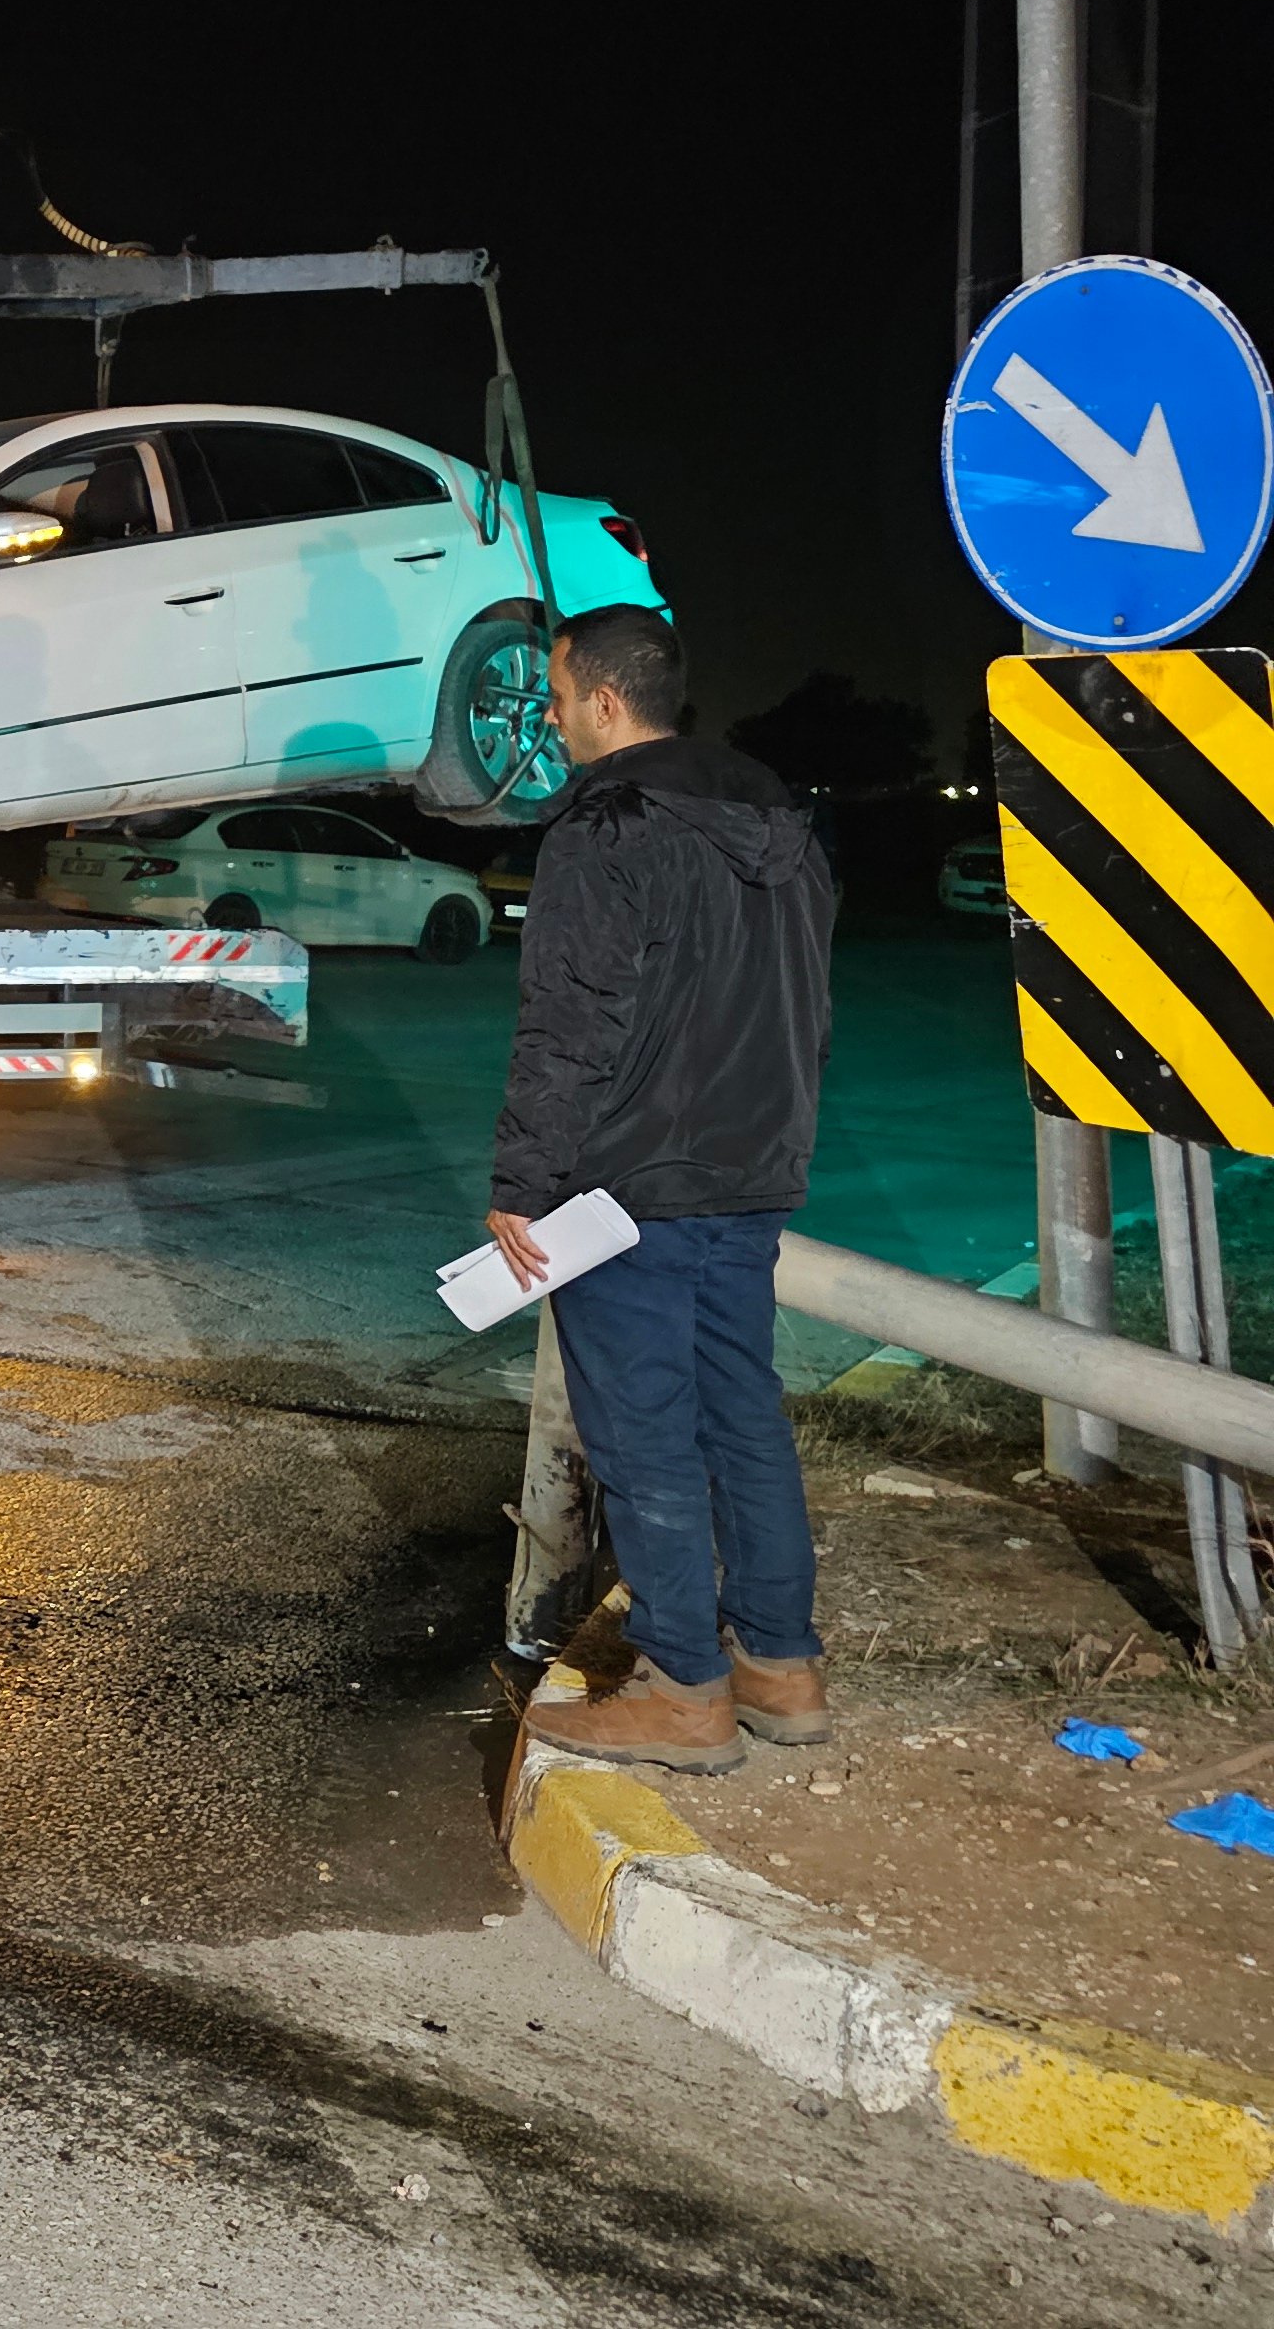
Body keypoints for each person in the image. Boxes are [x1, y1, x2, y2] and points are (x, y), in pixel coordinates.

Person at [489, 603, 837, 1774]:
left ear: (600, 700)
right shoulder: (782, 820)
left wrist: (522, 1181)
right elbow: (806, 1009)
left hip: (630, 1187)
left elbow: (569, 1025)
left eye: (554, 694)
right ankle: (779, 1671)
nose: (547, 715)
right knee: (742, 1419)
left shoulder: (607, 823)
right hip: (749, 1173)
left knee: (643, 1443)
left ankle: (686, 1691)